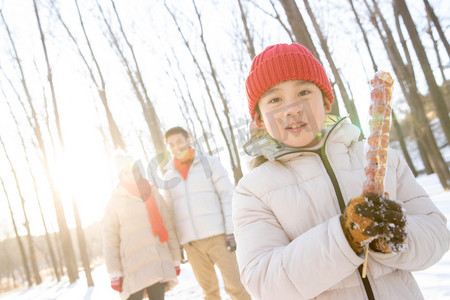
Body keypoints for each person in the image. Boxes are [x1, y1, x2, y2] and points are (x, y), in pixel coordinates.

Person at [232, 43, 450, 300]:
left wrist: (392, 238)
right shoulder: (253, 191)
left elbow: (436, 234)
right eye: (275, 99)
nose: (292, 108)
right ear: (258, 119)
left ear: (326, 101)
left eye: (304, 91)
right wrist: (345, 236)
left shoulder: (386, 161)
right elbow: (264, 283)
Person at [162, 127, 251, 300]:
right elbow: (169, 211)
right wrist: (178, 243)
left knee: (236, 287)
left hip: (218, 237)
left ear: (189, 139)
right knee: (209, 293)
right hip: (192, 244)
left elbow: (227, 195)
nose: (176, 147)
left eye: (179, 141)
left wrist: (230, 230)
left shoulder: (209, 163)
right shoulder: (168, 175)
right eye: (171, 145)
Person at [103, 155, 181, 300]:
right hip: (132, 267)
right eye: (126, 172)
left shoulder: (153, 193)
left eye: (134, 170)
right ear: (120, 175)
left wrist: (176, 258)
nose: (131, 175)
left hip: (157, 261)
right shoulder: (114, 202)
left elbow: (168, 226)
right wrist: (114, 272)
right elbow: (110, 239)